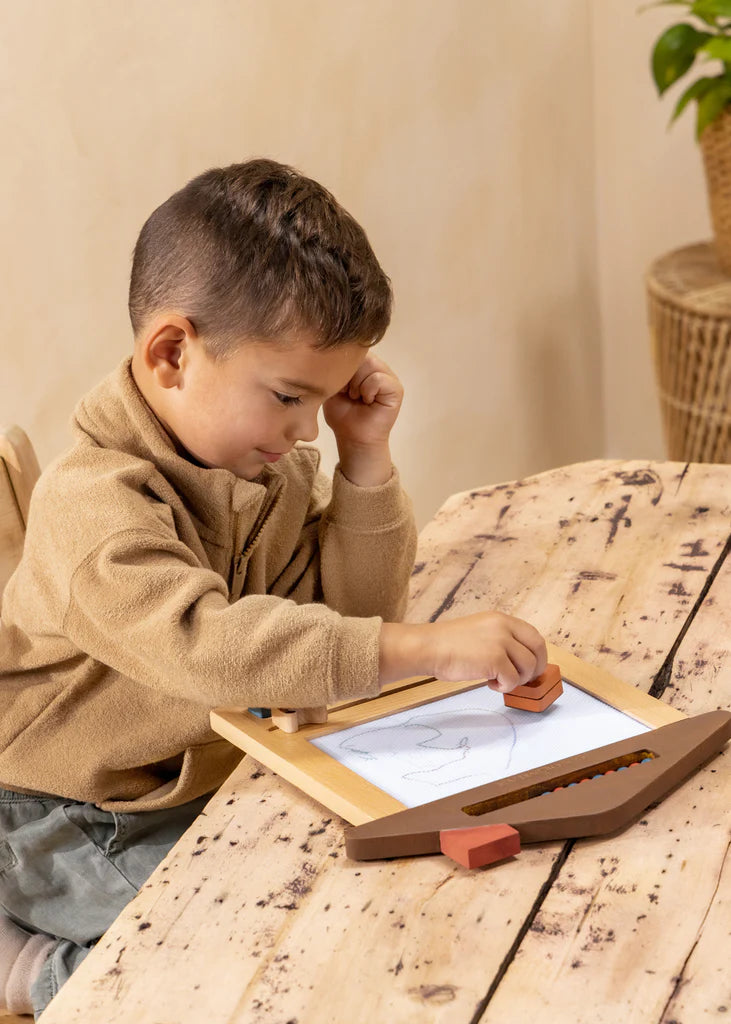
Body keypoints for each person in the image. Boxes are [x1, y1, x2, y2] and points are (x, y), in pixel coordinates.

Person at [0, 158, 546, 1017]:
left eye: (322, 400)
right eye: (291, 396)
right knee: (224, 960)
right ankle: (31, 966)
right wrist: (428, 649)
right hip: (63, 809)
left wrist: (364, 457)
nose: (305, 430)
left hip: (202, 775)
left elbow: (349, 622)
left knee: (344, 909)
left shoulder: (265, 466)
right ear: (173, 353)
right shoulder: (91, 505)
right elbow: (214, 647)